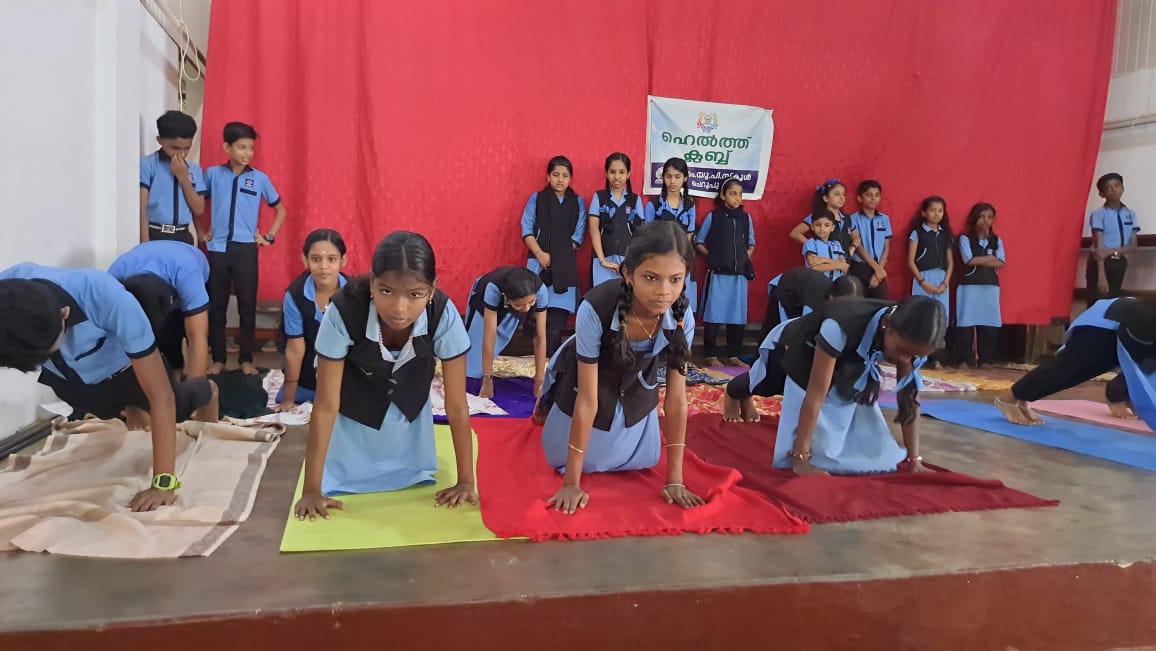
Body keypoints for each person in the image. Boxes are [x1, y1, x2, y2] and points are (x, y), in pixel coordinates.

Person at [0, 264, 219, 511]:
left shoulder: (107, 299)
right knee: (100, 409)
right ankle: (129, 407)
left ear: (64, 314)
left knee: (173, 407)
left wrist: (163, 484)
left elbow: (161, 396)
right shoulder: (6, 297)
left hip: (126, 373)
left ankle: (207, 390)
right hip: (69, 383)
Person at [293, 232, 475, 521]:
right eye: (386, 291)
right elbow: (326, 405)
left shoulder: (443, 314)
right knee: (347, 472)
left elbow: (456, 406)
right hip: (354, 413)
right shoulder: (342, 311)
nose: (400, 309)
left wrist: (466, 481)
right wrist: (312, 489)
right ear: (372, 284)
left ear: (431, 290)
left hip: (410, 413)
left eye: (415, 295)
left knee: (411, 478)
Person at [532, 221, 704, 514]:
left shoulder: (681, 316)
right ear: (628, 274)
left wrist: (675, 480)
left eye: (675, 279)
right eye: (651, 277)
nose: (664, 292)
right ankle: (548, 405)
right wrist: (572, 482)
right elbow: (587, 400)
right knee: (582, 459)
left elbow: (676, 398)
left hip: (636, 390)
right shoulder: (595, 307)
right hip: (586, 384)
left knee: (642, 459)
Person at [773, 295, 946, 475]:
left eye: (914, 356)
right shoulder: (838, 325)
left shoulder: (910, 339)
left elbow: (908, 398)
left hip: (848, 368)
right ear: (886, 324)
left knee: (878, 456)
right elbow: (815, 394)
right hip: (803, 362)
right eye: (902, 351)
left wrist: (914, 460)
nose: (905, 360)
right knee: (822, 456)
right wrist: (800, 458)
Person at [202, 121, 287, 376]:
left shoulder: (259, 179)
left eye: (251, 148)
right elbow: (198, 204)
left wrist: (269, 237)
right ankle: (218, 358)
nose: (247, 153)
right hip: (217, 249)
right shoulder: (213, 174)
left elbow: (281, 210)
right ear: (226, 147)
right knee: (216, 306)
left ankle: (246, 359)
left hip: (246, 250)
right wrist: (201, 230)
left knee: (247, 306)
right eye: (241, 147)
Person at [994, 297, 1156, 426]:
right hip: (1107, 324)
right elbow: (1137, 367)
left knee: (1078, 375)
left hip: (1126, 327)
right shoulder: (1145, 322)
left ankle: (1022, 398)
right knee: (1067, 369)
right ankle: (1010, 397)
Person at [726, 273, 863, 422]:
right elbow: (797, 340)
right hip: (786, 340)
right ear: (831, 299)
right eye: (845, 305)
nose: (849, 311)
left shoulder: (857, 319)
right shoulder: (819, 314)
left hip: (814, 352)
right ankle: (733, 392)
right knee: (768, 383)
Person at [108, 240, 211, 380]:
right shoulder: (114, 280)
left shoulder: (188, 273)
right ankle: (172, 372)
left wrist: (196, 388)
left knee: (182, 330)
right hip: (144, 260)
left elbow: (197, 337)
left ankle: (180, 373)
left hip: (189, 263)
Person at [277, 229, 349, 411]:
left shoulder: (354, 294)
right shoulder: (295, 294)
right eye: (316, 259)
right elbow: (295, 348)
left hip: (345, 373)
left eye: (331, 259)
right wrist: (288, 400)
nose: (323, 266)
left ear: (343, 261)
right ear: (305, 260)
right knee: (288, 397)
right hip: (307, 373)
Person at [521, 155, 586, 355]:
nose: (560, 179)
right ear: (548, 176)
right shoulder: (536, 199)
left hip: (563, 268)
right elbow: (527, 230)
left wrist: (556, 258)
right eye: (556, 175)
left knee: (556, 322)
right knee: (536, 317)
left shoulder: (577, 202)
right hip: (538, 264)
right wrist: (540, 254)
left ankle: (553, 362)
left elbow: (577, 238)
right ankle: (536, 362)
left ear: (571, 178)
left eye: (565, 175)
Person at [695, 177, 755, 367]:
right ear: (723, 196)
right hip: (719, 275)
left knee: (737, 315)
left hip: (739, 276)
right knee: (714, 314)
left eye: (740, 194)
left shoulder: (746, 218)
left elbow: (751, 243)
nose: (737, 198)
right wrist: (713, 257)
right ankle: (710, 355)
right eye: (732, 194)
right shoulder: (714, 217)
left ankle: (734, 355)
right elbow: (698, 241)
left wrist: (744, 256)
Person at [463, 266, 548, 398]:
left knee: (502, 337)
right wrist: (487, 380)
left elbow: (540, 336)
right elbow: (489, 337)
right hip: (484, 302)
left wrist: (539, 379)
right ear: (506, 298)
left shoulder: (540, 290)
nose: (526, 309)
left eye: (531, 302)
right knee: (470, 370)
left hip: (513, 306)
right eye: (520, 305)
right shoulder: (492, 289)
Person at [139, 110, 206, 245]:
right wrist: (144, 244)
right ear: (160, 140)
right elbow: (142, 208)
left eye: (187, 148)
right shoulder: (147, 165)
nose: (182, 154)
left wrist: (184, 178)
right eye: (175, 148)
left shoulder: (194, 170)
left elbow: (199, 209)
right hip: (155, 234)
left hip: (183, 236)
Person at [645, 157, 698, 313]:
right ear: (663, 177)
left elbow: (689, 235)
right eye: (668, 176)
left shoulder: (690, 205)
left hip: (681, 261)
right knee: (660, 302)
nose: (673, 181)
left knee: (681, 305)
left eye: (677, 177)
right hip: (658, 261)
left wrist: (682, 258)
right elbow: (647, 236)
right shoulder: (653, 204)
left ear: (685, 178)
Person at [955, 203, 1005, 368]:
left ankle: (986, 360)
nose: (985, 220)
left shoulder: (996, 240)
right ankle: (964, 359)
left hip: (990, 287)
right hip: (969, 286)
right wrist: (990, 259)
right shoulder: (965, 238)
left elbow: (1001, 262)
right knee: (965, 322)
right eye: (982, 216)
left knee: (989, 322)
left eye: (989, 217)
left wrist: (981, 259)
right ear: (974, 218)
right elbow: (968, 260)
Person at [588, 152, 647, 287]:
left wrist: (632, 262)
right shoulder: (599, 197)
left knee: (626, 297)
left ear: (628, 174)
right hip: (602, 262)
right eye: (612, 172)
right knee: (602, 297)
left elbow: (640, 234)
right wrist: (602, 260)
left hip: (628, 264)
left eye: (622, 172)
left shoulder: (635, 200)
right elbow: (594, 229)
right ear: (606, 174)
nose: (617, 177)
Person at [1086, 172, 1140, 307]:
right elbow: (1099, 250)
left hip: (1119, 261)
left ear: (1123, 188)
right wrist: (1101, 275)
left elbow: (1133, 246)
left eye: (1117, 186)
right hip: (1100, 263)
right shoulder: (1099, 214)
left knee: (1113, 301)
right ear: (1102, 194)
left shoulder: (1130, 214)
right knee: (1097, 301)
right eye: (1108, 188)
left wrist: (1112, 251)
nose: (1114, 190)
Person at [847, 180, 893, 299]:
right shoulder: (852, 219)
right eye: (868, 195)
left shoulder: (884, 219)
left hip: (879, 266)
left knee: (881, 303)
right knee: (859, 302)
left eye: (876, 195)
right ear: (859, 198)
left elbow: (886, 247)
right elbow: (858, 247)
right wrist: (877, 269)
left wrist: (879, 271)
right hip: (860, 267)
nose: (873, 198)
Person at [789, 179, 858, 257]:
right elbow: (795, 233)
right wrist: (814, 247)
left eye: (844, 194)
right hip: (825, 260)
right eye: (837, 194)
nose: (842, 197)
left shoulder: (847, 218)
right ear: (826, 198)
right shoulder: (818, 216)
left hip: (845, 261)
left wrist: (852, 248)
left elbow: (856, 237)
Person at [803, 211, 849, 280]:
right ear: (812, 227)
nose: (822, 228)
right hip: (817, 283)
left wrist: (824, 260)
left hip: (836, 282)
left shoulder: (836, 244)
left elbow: (843, 262)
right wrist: (839, 265)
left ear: (832, 228)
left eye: (827, 225)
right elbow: (814, 267)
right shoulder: (810, 243)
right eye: (818, 225)